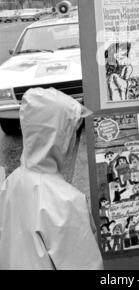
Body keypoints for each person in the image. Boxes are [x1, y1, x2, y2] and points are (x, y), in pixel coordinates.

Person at [0, 87, 103, 270]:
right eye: (73, 132)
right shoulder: (65, 201)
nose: (74, 140)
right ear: (59, 137)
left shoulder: (12, 181)